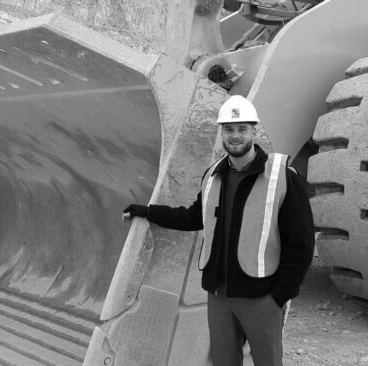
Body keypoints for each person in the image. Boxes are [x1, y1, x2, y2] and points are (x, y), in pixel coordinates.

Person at [123, 95, 315, 366]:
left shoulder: (282, 176)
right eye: (229, 129)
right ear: (221, 132)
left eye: (241, 129)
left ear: (253, 131)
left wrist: (280, 295)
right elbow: (193, 217)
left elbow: (302, 244)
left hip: (261, 297)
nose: (235, 135)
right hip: (220, 296)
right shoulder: (213, 175)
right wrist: (146, 211)